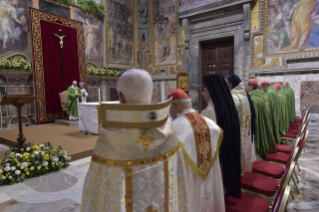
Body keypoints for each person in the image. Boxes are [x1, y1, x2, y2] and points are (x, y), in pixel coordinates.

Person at [81, 69, 190, 212]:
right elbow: (178, 179)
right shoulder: (168, 128)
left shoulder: (111, 136)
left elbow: (98, 191)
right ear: (151, 94)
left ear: (121, 97)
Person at [168, 88, 225, 212]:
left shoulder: (174, 129)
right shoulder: (210, 124)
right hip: (209, 179)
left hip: (189, 182)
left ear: (173, 106)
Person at [203, 74, 241, 199]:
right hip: (227, 156)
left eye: (204, 89)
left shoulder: (210, 111)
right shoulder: (228, 106)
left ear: (211, 90)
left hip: (216, 160)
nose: (203, 93)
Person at [225, 75, 256, 173]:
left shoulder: (234, 97)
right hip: (246, 131)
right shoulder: (244, 95)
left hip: (238, 133)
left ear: (230, 85)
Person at [246, 79, 276, 157]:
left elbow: (252, 118)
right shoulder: (262, 96)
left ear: (250, 87)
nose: (245, 88)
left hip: (257, 126)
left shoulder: (252, 99)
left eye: (246, 86)